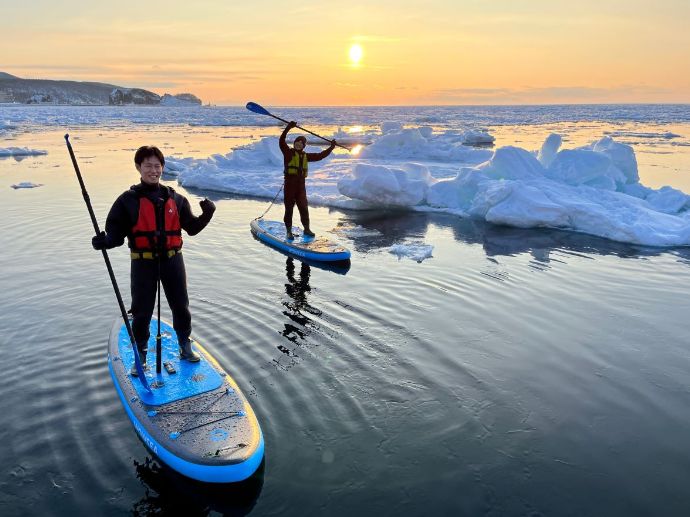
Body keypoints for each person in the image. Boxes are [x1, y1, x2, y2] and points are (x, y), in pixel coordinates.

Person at [91, 145, 216, 375]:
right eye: (148, 165)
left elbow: (192, 228)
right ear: (138, 167)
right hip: (143, 263)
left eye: (157, 166)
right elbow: (116, 237)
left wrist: (208, 214)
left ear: (163, 168)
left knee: (181, 306)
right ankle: (141, 352)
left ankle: (184, 344)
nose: (153, 170)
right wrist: (104, 241)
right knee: (142, 310)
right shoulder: (126, 201)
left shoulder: (176, 199)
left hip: (173, 261)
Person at [279, 121, 336, 240]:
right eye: (297, 142)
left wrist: (331, 147)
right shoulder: (288, 153)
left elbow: (320, 155)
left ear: (304, 146)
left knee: (304, 209)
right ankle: (289, 231)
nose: (298, 144)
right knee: (289, 209)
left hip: (300, 187)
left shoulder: (306, 156)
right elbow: (281, 141)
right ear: (294, 143)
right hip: (289, 186)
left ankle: (307, 228)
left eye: (301, 143)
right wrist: (288, 128)